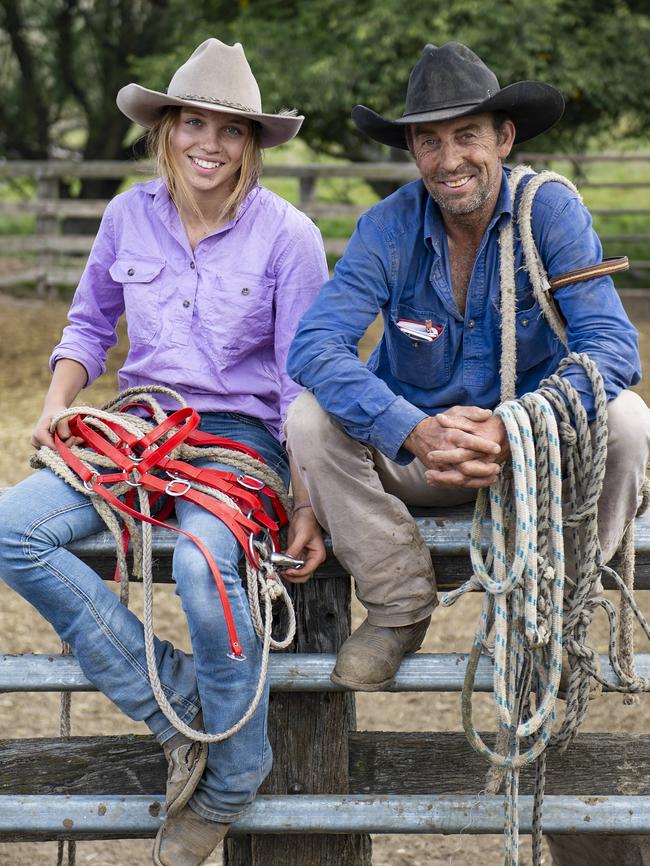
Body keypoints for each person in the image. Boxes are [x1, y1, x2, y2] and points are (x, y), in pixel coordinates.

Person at [285, 42, 650, 866]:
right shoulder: (387, 226)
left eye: (467, 136)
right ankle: (400, 597)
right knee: (310, 420)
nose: (449, 159)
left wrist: (515, 422)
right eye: (429, 141)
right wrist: (409, 427)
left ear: (504, 137)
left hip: (525, 461)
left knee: (629, 421)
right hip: (415, 455)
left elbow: (611, 347)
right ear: (413, 151)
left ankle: (557, 607)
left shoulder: (549, 211)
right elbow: (315, 345)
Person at [0, 38, 327, 866]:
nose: (208, 143)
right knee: (12, 530)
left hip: (240, 438)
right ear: (165, 129)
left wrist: (309, 497)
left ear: (251, 141)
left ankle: (232, 771)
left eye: (229, 129)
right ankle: (176, 704)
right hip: (138, 425)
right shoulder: (126, 216)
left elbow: (301, 383)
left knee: (200, 569)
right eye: (192, 122)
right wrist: (55, 406)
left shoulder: (290, 235)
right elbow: (87, 324)